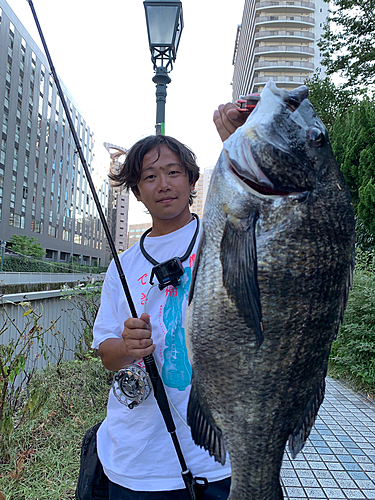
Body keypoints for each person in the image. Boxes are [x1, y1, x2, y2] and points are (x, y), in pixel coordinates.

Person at [92, 104, 249, 500]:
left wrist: (236, 140)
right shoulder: (123, 266)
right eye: (149, 176)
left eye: (174, 172)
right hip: (138, 459)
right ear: (137, 190)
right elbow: (106, 352)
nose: (163, 184)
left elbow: (266, 204)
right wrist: (127, 348)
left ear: (192, 180)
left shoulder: (226, 236)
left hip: (218, 457)